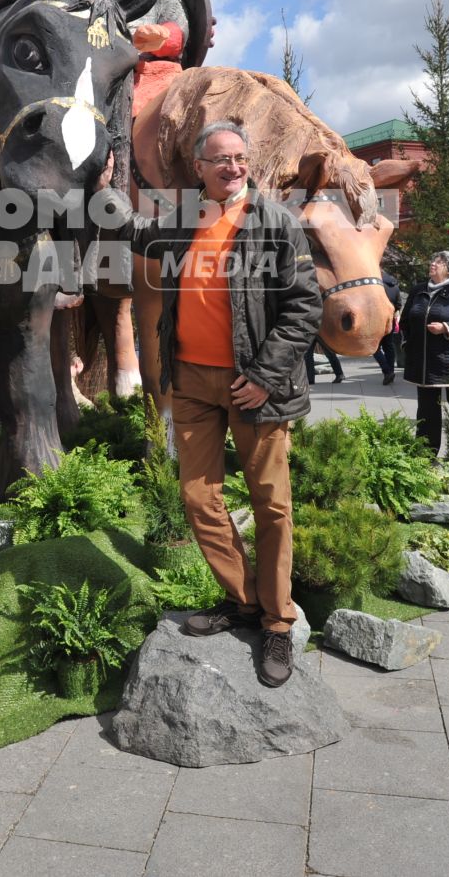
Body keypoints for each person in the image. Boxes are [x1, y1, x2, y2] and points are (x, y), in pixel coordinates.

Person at [96, 121, 321, 687]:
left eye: (240, 158)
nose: (232, 167)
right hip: (192, 382)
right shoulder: (183, 222)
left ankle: (276, 621)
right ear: (198, 168)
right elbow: (135, 233)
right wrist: (101, 188)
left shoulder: (276, 224)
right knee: (199, 498)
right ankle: (243, 599)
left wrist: (267, 376)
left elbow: (303, 307)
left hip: (255, 386)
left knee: (272, 505)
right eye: (220, 159)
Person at [402, 251, 449, 457]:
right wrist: (407, 345)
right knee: (426, 412)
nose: (433, 263)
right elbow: (405, 322)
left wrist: (446, 327)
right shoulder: (418, 291)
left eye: (439, 261)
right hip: (425, 363)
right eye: (433, 259)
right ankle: (426, 456)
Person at [374, 271, 402, 384]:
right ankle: (390, 372)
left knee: (375, 348)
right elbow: (399, 304)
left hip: (377, 320)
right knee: (388, 346)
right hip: (390, 319)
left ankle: (387, 371)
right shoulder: (395, 286)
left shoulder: (376, 286)